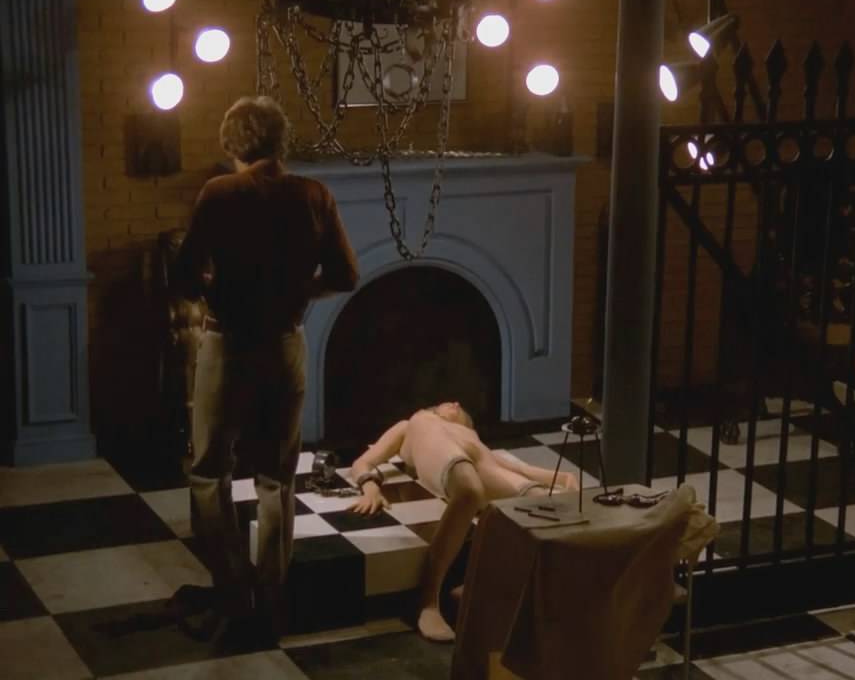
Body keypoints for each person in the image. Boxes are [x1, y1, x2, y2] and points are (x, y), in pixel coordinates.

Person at [172, 96, 359, 642]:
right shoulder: (314, 194)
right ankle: (272, 598)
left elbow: (184, 273)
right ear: (280, 141)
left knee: (210, 470)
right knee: (277, 475)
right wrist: (300, 291)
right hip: (285, 344)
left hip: (229, 345)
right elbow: (345, 275)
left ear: (234, 143)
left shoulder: (220, 192)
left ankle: (234, 595)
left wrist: (212, 289)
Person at [348, 401, 579, 642]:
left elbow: (519, 469)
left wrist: (563, 477)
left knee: (545, 506)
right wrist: (370, 487)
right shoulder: (417, 422)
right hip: (442, 452)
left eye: (463, 412)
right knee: (470, 491)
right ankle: (428, 600)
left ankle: (491, 588)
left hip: (480, 464)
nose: (456, 403)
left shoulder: (471, 437)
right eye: (446, 403)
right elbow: (363, 462)